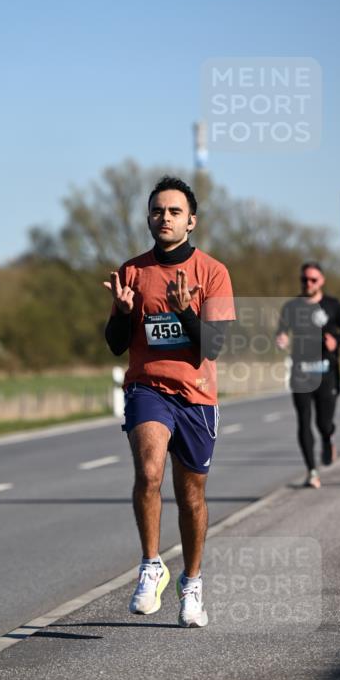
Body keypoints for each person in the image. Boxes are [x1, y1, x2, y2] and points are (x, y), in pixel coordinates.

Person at [104, 176, 235, 627]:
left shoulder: (212, 273)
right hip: (147, 388)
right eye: (158, 211)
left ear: (191, 221)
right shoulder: (132, 272)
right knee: (149, 472)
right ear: (149, 218)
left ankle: (192, 582)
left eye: (175, 211)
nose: (165, 218)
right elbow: (116, 345)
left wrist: (184, 310)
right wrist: (121, 315)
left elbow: (212, 347)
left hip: (197, 395)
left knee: (191, 493)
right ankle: (150, 565)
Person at [275, 262, 340, 489]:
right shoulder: (292, 306)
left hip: (327, 372)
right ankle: (312, 471)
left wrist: (336, 341)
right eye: (304, 280)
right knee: (303, 420)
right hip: (301, 372)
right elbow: (281, 332)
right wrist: (282, 339)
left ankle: (328, 438)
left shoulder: (333, 305)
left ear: (322, 281)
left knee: (324, 423)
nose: (308, 283)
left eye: (313, 280)